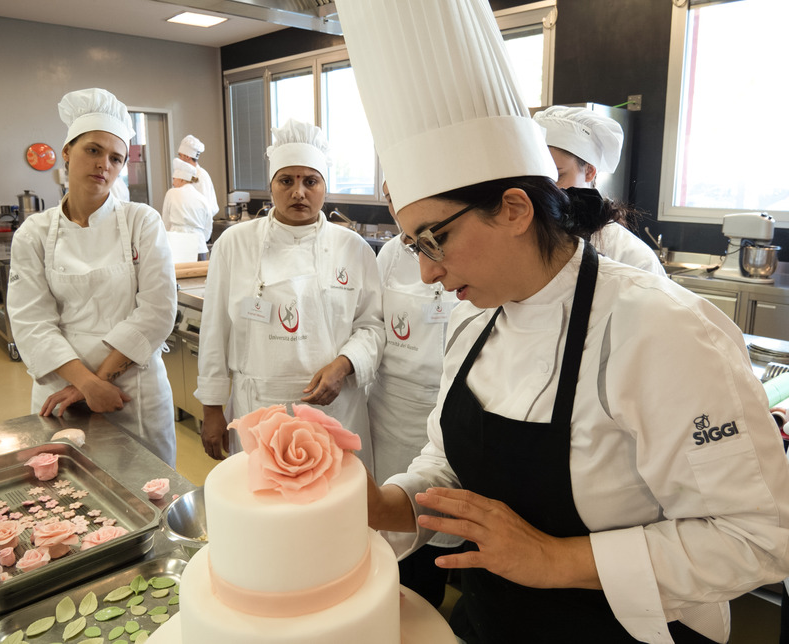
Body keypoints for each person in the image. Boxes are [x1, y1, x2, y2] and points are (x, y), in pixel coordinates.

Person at [336, 1, 789, 642]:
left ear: (515, 208)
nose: (427, 275)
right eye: (413, 248)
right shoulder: (474, 323)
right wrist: (383, 504)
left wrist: (555, 558)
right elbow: (451, 467)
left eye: (432, 241)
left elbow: (760, 536)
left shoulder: (662, 331)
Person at [195, 118, 384, 471]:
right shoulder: (235, 244)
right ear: (271, 186)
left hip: (335, 407)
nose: (299, 192)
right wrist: (212, 409)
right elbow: (215, 329)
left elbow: (373, 326)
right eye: (287, 180)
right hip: (259, 407)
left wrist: (343, 366)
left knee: (333, 507)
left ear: (325, 187)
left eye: (310, 181)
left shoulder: (353, 249)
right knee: (268, 507)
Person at [7, 88, 177, 466]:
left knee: (149, 495)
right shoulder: (34, 232)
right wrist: (86, 386)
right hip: (61, 390)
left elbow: (157, 312)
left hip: (134, 393)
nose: (104, 164)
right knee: (69, 499)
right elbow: (32, 322)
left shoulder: (141, 222)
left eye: (116, 158)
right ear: (67, 152)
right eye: (93, 150)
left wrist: (99, 385)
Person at [368, 181, 460, 607]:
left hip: (448, 407)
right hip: (391, 413)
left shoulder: (463, 252)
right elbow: (375, 329)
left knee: (444, 532)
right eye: (389, 196)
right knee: (396, 534)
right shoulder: (389, 255)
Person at [533, 106, 666, 275]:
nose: (546, 189)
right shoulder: (524, 237)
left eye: (557, 176)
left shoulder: (632, 257)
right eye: (538, 177)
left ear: (589, 171)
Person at [162, 158, 213, 260]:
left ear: (181, 179)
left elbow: (165, 223)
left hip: (178, 246)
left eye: (174, 179)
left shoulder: (172, 193)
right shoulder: (202, 199)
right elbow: (208, 229)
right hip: (200, 248)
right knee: (201, 275)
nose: (173, 183)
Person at [177, 134, 219, 218]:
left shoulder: (201, 175)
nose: (179, 159)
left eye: (180, 155)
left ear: (187, 156)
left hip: (198, 224)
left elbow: (207, 205)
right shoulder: (184, 174)